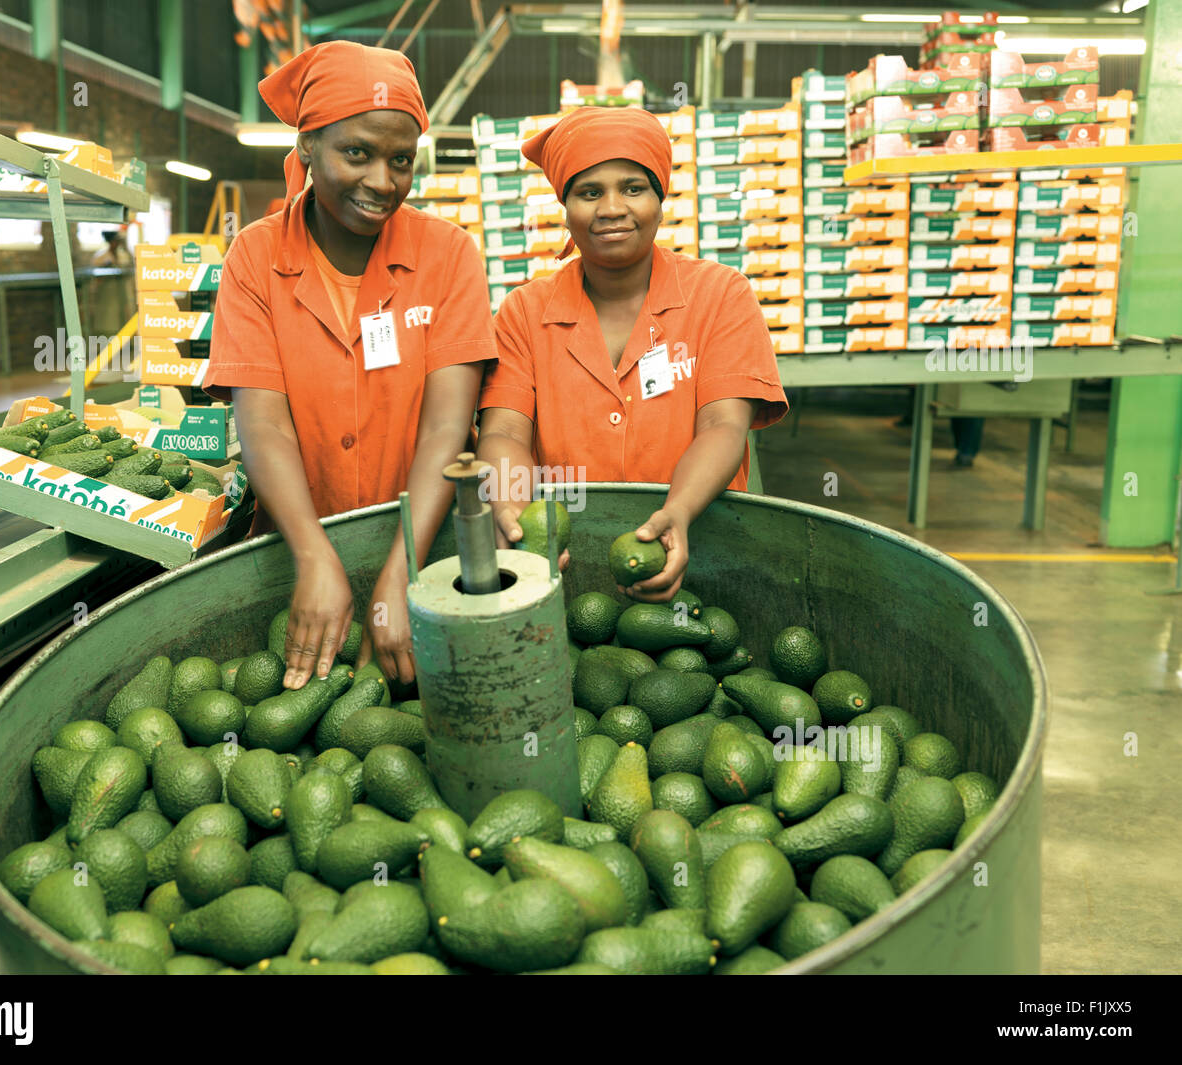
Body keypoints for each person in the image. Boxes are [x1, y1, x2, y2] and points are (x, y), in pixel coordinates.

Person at [205, 41, 496, 688]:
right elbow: (264, 424)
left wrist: (402, 571)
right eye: (356, 153)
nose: (382, 181)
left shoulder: (448, 256)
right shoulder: (255, 258)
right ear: (308, 144)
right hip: (291, 555)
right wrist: (314, 555)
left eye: (401, 160)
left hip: (427, 543)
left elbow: (448, 427)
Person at [476, 107, 788, 601]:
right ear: (565, 205)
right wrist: (517, 521)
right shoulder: (523, 312)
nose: (612, 208)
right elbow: (504, 430)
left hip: (702, 552)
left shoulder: (721, 295)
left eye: (633, 188)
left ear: (660, 199)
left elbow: (723, 425)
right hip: (562, 575)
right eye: (589, 192)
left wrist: (679, 512)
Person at [89, 227, 135, 337]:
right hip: (107, 294)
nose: (117, 244)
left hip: (122, 293)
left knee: (123, 320)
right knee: (108, 321)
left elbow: (131, 265)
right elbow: (95, 278)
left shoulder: (124, 255)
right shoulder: (100, 257)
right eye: (115, 241)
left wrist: (126, 247)